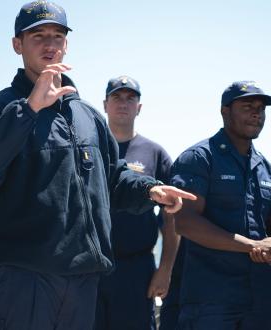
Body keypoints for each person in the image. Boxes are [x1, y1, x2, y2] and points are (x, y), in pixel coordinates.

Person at [0, 2, 195, 330]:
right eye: (38, 36)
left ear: (67, 44)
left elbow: (111, 177)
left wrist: (150, 189)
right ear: (17, 45)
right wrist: (29, 109)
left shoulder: (88, 116)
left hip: (80, 283)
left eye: (58, 35)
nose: (50, 44)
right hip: (19, 282)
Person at [170, 81, 271, 330]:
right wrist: (252, 246)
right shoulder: (199, 158)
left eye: (261, 108)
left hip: (261, 301)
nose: (257, 113)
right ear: (225, 111)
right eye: (247, 106)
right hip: (211, 301)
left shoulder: (268, 170)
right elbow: (186, 222)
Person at [94, 76, 180, 330]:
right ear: (105, 104)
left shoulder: (155, 153)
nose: (123, 103)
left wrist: (165, 268)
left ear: (139, 107)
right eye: (117, 97)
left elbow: (172, 217)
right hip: (90, 266)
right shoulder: (89, 148)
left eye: (130, 98)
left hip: (136, 269)